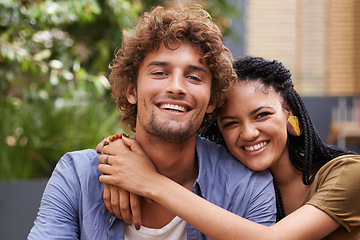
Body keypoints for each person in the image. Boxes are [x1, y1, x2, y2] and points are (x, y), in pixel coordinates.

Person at [28, 4, 277, 240]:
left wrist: (150, 183)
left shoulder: (246, 186)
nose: (177, 87)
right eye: (160, 73)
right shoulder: (78, 177)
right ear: (131, 91)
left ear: (212, 100)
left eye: (193, 77)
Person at [97, 56, 360, 240]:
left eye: (262, 115)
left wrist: (149, 182)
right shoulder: (245, 188)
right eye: (231, 123)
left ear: (289, 113)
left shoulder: (348, 174)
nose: (248, 133)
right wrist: (119, 151)